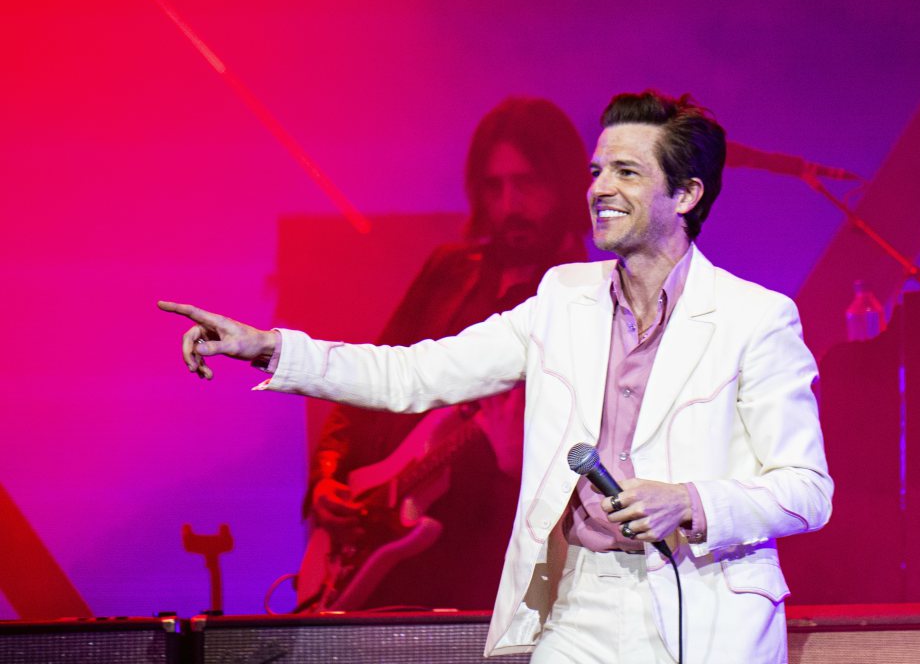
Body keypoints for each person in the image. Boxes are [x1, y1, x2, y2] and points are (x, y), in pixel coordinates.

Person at [160, 90, 833, 663]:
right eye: (596, 170)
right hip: (581, 605)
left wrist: (688, 500)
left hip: (703, 608)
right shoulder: (562, 297)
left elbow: (807, 491)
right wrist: (268, 347)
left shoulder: (754, 318)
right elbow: (411, 373)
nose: (599, 188)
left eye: (626, 172)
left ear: (685, 194)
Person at [298, 97, 589, 612]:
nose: (510, 204)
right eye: (494, 186)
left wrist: (516, 468)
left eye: (526, 183)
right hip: (387, 557)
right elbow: (372, 379)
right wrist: (327, 475)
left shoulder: (582, 302)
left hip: (482, 577)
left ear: (563, 186)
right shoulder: (450, 272)